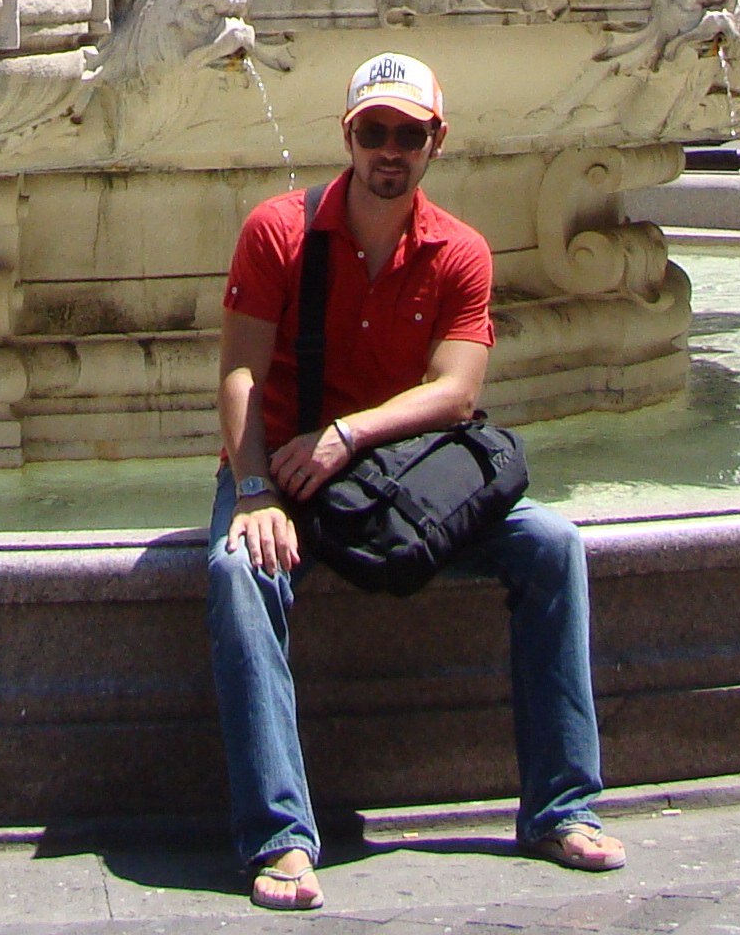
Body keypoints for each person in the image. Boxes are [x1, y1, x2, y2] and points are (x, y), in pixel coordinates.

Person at [209, 52, 618, 910]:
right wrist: (255, 492)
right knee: (241, 572)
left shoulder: (460, 250)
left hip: (404, 479)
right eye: (374, 131)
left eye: (408, 133)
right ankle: (280, 837)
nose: (389, 150)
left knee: (553, 545)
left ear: (437, 140)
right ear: (348, 136)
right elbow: (240, 373)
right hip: (280, 471)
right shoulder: (279, 231)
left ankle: (560, 808)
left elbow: (458, 392)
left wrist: (348, 435)